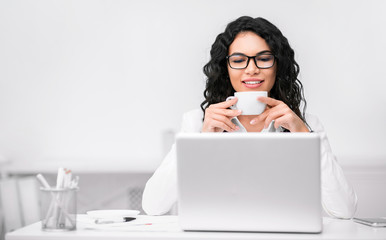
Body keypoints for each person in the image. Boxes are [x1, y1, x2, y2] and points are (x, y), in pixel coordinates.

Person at [142, 16, 357, 219]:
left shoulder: (304, 124)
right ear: (226, 69)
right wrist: (202, 138)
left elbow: (344, 210)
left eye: (264, 59)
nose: (252, 69)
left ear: (277, 66)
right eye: (239, 60)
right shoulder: (197, 121)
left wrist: (304, 134)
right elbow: (153, 206)